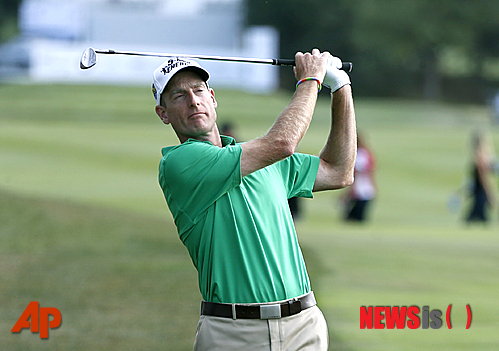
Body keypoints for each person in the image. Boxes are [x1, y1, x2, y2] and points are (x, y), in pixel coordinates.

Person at [153, 49, 356, 350]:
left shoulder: (264, 161)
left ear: (212, 98)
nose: (193, 101)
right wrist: (311, 79)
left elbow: (339, 171)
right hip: (232, 332)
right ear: (163, 113)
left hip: (303, 325)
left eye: (198, 91)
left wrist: (340, 88)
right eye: (178, 96)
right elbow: (283, 143)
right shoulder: (180, 163)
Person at [343, 132, 377, 222]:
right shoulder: (366, 153)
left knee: (352, 219)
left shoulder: (359, 155)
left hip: (360, 189)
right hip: (366, 189)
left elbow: (356, 173)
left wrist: (351, 189)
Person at [465, 131, 496, 223]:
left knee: (477, 217)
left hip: (480, 191)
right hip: (479, 191)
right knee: (478, 217)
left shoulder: (480, 156)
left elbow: (483, 177)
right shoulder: (481, 156)